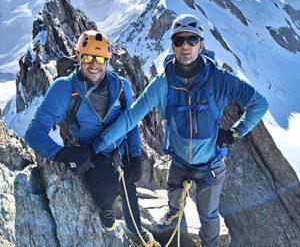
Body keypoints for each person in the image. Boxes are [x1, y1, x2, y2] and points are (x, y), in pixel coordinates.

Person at [90, 14, 269, 247]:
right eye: (179, 41)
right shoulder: (163, 83)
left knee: (209, 216)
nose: (186, 46)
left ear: (201, 44)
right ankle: (176, 226)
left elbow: (260, 103)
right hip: (180, 162)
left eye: (192, 40)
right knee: (174, 205)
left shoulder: (219, 79)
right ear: (172, 45)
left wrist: (234, 133)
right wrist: (95, 147)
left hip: (210, 165)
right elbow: (130, 118)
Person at [25, 30, 159, 247]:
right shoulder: (64, 89)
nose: (94, 65)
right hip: (91, 154)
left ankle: (135, 229)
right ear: (78, 58)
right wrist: (63, 154)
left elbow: (131, 122)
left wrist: (135, 155)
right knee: (106, 192)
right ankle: (107, 210)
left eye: (100, 59)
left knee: (129, 188)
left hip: (122, 151)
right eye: (87, 58)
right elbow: (33, 132)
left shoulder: (122, 86)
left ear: (108, 61)